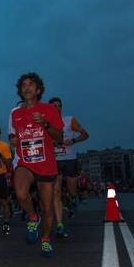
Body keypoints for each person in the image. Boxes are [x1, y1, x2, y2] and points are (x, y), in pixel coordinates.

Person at [9, 72, 63, 258]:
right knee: (21, 192)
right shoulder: (15, 114)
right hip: (26, 162)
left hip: (46, 164)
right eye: (23, 85)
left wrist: (46, 124)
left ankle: (46, 239)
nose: (27, 87)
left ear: (38, 89)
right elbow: (13, 136)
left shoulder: (48, 109)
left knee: (47, 207)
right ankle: (33, 216)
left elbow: (60, 137)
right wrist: (14, 141)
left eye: (30, 84)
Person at [48, 97, 89, 238]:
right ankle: (60, 225)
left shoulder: (69, 120)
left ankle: (72, 200)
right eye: (54, 105)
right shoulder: (45, 124)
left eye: (59, 105)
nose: (57, 108)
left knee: (72, 190)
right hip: (55, 162)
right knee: (56, 192)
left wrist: (73, 140)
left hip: (70, 160)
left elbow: (85, 134)